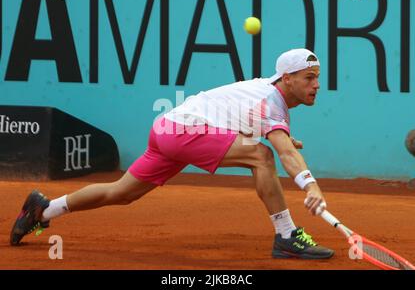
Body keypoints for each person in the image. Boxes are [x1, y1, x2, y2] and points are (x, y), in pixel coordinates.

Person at [10, 48, 334, 259]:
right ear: (287, 79)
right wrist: (311, 185)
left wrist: (282, 141)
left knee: (121, 192)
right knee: (261, 157)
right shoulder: (270, 101)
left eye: (317, 77)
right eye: (309, 78)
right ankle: (287, 235)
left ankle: (43, 210)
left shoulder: (265, 94)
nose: (316, 84)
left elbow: (235, 119)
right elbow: (282, 153)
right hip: (184, 131)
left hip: (168, 128)